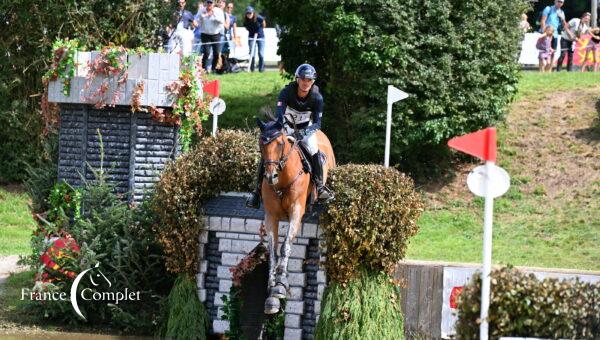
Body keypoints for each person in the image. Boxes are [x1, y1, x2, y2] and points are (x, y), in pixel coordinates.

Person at [246, 64, 332, 209]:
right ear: (297, 79)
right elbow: (280, 116)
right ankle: (256, 191)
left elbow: (317, 124)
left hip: (305, 129)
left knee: (314, 150)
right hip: (286, 126)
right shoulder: (286, 92)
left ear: (313, 81)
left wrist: (303, 133)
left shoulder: (317, 98)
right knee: (270, 152)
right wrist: (286, 130)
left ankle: (320, 187)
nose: (306, 83)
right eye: (303, 79)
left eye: (309, 80)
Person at [540, 0, 572, 70]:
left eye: (561, 2)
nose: (560, 3)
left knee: (553, 53)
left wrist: (562, 18)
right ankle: (541, 70)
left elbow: (564, 25)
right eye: (558, 1)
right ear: (555, 1)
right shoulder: (548, 8)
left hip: (555, 35)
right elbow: (543, 21)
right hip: (547, 34)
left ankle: (549, 70)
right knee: (544, 52)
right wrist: (544, 33)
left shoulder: (562, 12)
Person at [198, 0, 225, 72]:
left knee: (216, 53)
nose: (209, 4)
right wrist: (203, 16)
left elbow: (222, 21)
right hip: (205, 34)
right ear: (206, 3)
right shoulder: (201, 10)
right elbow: (197, 20)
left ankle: (213, 69)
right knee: (206, 53)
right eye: (208, 2)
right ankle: (204, 69)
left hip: (216, 34)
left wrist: (213, 15)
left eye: (211, 3)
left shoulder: (218, 11)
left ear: (214, 4)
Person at [243, 6, 266, 72]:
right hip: (251, 37)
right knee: (252, 54)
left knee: (261, 54)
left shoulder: (258, 17)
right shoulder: (246, 20)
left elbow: (263, 23)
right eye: (248, 13)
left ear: (253, 13)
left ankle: (261, 69)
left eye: (250, 13)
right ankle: (252, 69)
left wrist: (260, 30)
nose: (249, 14)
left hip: (260, 37)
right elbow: (246, 27)